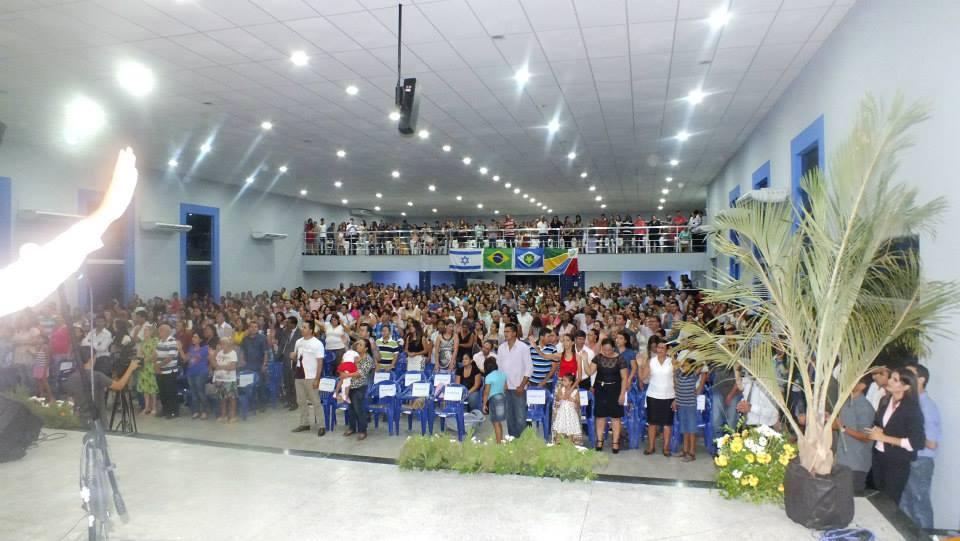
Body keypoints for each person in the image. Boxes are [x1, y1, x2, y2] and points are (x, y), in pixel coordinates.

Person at [867, 367, 926, 504]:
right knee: (876, 499)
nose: (890, 381)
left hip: (897, 462)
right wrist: (876, 431)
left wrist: (884, 438)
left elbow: (917, 442)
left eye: (895, 380)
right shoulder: (885, 401)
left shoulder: (911, 409)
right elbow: (879, 424)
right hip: (879, 457)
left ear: (905, 387)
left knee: (889, 502)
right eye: (890, 378)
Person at [899, 364, 940, 528]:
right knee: (905, 504)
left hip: (920, 461)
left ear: (921, 380)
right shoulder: (911, 403)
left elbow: (931, 443)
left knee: (919, 504)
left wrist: (907, 435)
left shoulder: (926, 406)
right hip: (908, 458)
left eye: (910, 374)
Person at [62, 351, 140, 426]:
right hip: (97, 420)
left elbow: (70, 399)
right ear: (91, 359)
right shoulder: (97, 376)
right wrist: (130, 368)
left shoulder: (71, 377)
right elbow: (119, 386)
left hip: (78, 419)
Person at [834, 374, 875, 494]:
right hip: (843, 459)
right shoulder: (846, 402)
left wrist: (843, 428)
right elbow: (838, 425)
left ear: (862, 386)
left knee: (853, 498)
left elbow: (866, 437)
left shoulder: (865, 407)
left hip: (856, 462)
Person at [587, 338, 629, 453]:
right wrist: (585, 360)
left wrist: (622, 394)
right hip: (600, 389)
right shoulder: (598, 357)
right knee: (600, 416)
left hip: (615, 390)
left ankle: (615, 442)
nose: (606, 352)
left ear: (613, 348)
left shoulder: (620, 359)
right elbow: (590, 372)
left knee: (616, 417)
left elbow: (624, 378)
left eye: (609, 350)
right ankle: (599, 440)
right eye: (604, 350)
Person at [496, 323, 532, 439]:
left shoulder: (523, 347)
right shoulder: (501, 348)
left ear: (514, 333)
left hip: (519, 388)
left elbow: (529, 368)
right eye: (504, 331)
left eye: (508, 331)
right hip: (506, 387)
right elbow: (500, 367)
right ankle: (513, 440)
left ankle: (523, 442)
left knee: (520, 416)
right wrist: (503, 383)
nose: (505, 334)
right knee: (509, 416)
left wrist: (522, 386)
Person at [641, 337, 675, 456]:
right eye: (658, 347)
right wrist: (642, 365)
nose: (660, 350)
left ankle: (666, 448)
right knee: (652, 423)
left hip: (669, 396)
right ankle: (651, 447)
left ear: (667, 349)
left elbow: (676, 380)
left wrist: (676, 398)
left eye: (662, 348)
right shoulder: (651, 361)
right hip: (653, 395)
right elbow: (643, 378)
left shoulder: (672, 361)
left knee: (667, 424)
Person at [291, 322, 326, 436]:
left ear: (311, 330)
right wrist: (293, 356)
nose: (302, 329)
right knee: (301, 401)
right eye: (302, 327)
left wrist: (317, 378)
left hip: (311, 376)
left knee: (315, 401)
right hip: (299, 375)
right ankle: (305, 423)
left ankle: (321, 425)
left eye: (305, 327)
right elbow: (297, 357)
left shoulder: (317, 343)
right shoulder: (298, 342)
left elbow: (320, 362)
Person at [674, 353, 707, 462]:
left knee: (691, 429)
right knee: (684, 429)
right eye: (683, 365)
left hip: (690, 406)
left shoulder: (693, 375)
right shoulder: (679, 374)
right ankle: (685, 450)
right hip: (681, 405)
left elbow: (701, 365)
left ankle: (692, 453)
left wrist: (694, 366)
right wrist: (678, 365)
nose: (684, 366)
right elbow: (675, 379)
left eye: (687, 365)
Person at [341, 339, 374, 440]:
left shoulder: (368, 359)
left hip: (359, 387)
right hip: (349, 386)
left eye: (360, 345)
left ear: (366, 348)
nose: (358, 346)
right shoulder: (353, 355)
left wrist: (347, 374)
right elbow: (344, 364)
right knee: (350, 409)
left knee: (359, 409)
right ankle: (352, 428)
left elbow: (360, 374)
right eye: (357, 344)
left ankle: (363, 430)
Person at [240, 321, 269, 412]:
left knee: (261, 385)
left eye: (255, 327)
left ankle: (262, 405)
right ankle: (252, 405)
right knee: (249, 386)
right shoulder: (245, 339)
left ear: (258, 328)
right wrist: (243, 360)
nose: (253, 328)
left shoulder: (262, 338)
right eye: (251, 327)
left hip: (259, 365)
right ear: (249, 328)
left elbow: (266, 353)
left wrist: (264, 364)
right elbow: (242, 352)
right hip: (248, 366)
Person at [181, 331, 210, 420]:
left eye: (195, 337)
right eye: (193, 337)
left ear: (200, 339)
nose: (193, 339)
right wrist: (180, 349)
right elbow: (185, 359)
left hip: (201, 372)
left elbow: (196, 358)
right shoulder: (191, 348)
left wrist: (190, 357)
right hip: (191, 373)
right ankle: (196, 411)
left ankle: (205, 411)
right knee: (193, 393)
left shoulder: (205, 348)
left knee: (200, 392)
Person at [154, 324, 180, 419]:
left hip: (170, 371)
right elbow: (155, 354)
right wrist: (155, 366)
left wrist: (158, 365)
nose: (159, 332)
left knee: (171, 392)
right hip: (160, 371)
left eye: (161, 330)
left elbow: (170, 358)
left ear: (166, 332)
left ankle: (173, 411)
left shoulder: (172, 342)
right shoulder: (159, 341)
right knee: (162, 392)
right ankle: (165, 410)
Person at [275, 316, 301, 410]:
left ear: (293, 324)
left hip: (294, 360)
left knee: (292, 382)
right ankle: (289, 401)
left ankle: (294, 402)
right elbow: (281, 344)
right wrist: (278, 356)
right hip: (285, 359)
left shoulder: (300, 333)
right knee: (286, 381)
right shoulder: (285, 332)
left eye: (288, 323)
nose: (286, 324)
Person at [551, 373, 583, 445]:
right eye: (562, 380)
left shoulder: (575, 391)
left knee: (570, 431)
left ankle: (570, 444)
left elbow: (578, 403)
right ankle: (557, 443)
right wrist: (562, 396)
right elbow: (558, 398)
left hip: (571, 414)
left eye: (565, 380)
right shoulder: (561, 389)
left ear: (571, 382)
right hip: (562, 414)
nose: (563, 382)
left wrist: (573, 400)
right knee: (559, 429)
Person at [212, 337, 238, 423]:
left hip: (229, 380)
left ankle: (233, 416)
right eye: (221, 343)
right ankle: (223, 415)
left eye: (223, 343)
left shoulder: (233, 353)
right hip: (219, 379)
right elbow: (213, 364)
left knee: (231, 398)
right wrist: (216, 351)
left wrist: (221, 367)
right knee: (222, 399)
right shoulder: (219, 353)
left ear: (228, 344)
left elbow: (232, 367)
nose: (221, 345)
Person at [482, 357, 506, 443]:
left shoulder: (488, 377)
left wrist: (484, 404)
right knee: (499, 423)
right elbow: (505, 388)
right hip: (502, 399)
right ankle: (501, 440)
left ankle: (498, 444)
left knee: (495, 423)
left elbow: (486, 392)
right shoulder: (503, 374)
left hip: (494, 400)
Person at [137, 325, 159, 416]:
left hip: (151, 366)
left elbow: (155, 354)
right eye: (144, 331)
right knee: (145, 388)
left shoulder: (154, 341)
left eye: (147, 331)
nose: (145, 332)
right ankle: (147, 407)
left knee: (152, 388)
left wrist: (146, 359)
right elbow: (139, 353)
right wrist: (140, 360)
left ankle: (154, 407)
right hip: (143, 367)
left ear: (151, 332)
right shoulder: (142, 342)